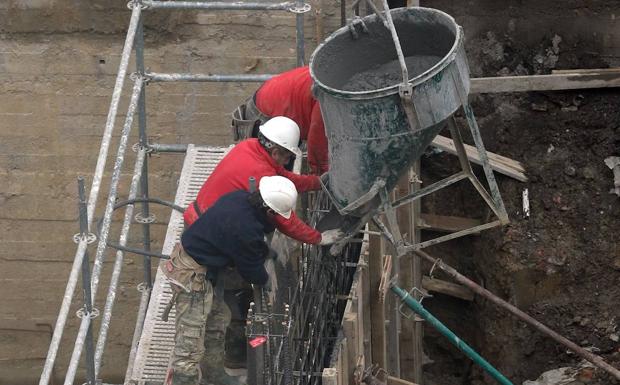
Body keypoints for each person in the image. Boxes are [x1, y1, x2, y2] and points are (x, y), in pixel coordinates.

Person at [182, 116, 343, 380]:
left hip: (207, 224)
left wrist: (316, 182)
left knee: (228, 297)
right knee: (233, 303)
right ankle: (232, 362)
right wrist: (318, 238)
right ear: (276, 150)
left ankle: (228, 360)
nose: (286, 160)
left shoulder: (250, 148)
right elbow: (285, 221)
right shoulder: (255, 191)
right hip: (213, 240)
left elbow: (283, 179)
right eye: (286, 155)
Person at [164, 176, 300, 385]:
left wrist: (264, 252)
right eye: (277, 216)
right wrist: (268, 279)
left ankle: (214, 376)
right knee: (190, 342)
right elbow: (251, 271)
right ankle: (184, 380)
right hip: (191, 275)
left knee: (217, 320)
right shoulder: (245, 228)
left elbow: (244, 243)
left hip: (206, 269)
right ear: (270, 211)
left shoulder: (240, 198)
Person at [231, 66, 329, 175]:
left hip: (273, 108)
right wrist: (322, 176)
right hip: (265, 120)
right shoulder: (330, 95)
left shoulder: (332, 75)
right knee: (276, 183)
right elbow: (317, 142)